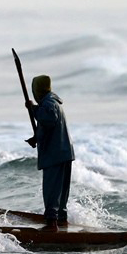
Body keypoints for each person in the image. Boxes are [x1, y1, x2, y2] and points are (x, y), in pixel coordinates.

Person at [25, 74, 74, 231]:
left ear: (37, 89)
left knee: (52, 188)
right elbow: (49, 127)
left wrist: (33, 109)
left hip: (55, 154)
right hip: (63, 151)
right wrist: (36, 138)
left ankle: (52, 223)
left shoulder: (49, 103)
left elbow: (49, 119)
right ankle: (62, 220)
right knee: (61, 190)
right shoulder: (53, 102)